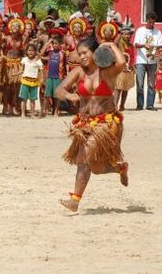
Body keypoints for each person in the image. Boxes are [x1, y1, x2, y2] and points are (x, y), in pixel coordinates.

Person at [56, 37, 128, 212]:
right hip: (85, 124)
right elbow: (59, 89)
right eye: (79, 53)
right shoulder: (79, 72)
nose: (81, 57)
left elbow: (122, 61)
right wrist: (68, 95)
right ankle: (120, 168)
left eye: (85, 53)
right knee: (94, 167)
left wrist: (110, 45)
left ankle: (75, 200)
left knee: (85, 157)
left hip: (106, 123)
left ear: (95, 53)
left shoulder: (107, 72)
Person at [133, 11, 162, 110]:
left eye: (153, 22)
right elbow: (136, 44)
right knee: (140, 83)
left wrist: (157, 52)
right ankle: (140, 105)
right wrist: (144, 45)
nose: (151, 24)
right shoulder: (140, 30)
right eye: (149, 22)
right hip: (141, 60)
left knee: (151, 83)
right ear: (146, 21)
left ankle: (150, 105)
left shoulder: (157, 32)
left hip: (152, 61)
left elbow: (160, 45)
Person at [41, 35, 67, 116]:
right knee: (47, 94)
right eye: (53, 44)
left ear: (60, 45)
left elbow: (66, 64)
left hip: (58, 76)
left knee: (57, 96)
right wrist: (48, 43)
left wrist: (66, 74)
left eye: (56, 43)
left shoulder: (62, 53)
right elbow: (41, 55)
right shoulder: (50, 53)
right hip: (49, 76)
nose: (54, 45)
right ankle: (44, 111)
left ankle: (56, 111)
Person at [113, 23, 136, 111]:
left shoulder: (131, 46)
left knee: (126, 89)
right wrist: (119, 33)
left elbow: (132, 57)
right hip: (120, 69)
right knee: (118, 89)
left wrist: (130, 65)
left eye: (128, 34)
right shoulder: (118, 44)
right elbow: (114, 45)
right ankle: (115, 106)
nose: (127, 36)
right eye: (125, 34)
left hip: (128, 69)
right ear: (121, 34)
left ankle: (122, 105)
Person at [19, 44, 43, 118]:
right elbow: (22, 69)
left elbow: (41, 71)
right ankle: (22, 114)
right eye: (29, 50)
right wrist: (17, 73)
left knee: (32, 99)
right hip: (25, 81)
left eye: (32, 50)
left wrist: (42, 79)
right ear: (26, 51)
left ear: (35, 52)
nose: (31, 52)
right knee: (24, 99)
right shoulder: (24, 60)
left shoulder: (38, 61)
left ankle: (32, 114)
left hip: (34, 82)